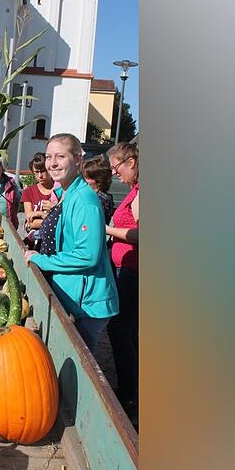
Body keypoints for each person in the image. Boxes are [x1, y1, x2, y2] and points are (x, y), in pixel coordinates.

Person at [24, 133, 118, 349]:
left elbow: (88, 255)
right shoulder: (68, 193)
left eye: (60, 156)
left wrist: (43, 260)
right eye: (48, 157)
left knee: (81, 367)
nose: (52, 163)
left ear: (77, 159)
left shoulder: (84, 201)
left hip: (86, 302)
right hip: (74, 295)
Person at [104, 142, 139, 425]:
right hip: (126, 268)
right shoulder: (135, 191)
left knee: (120, 331)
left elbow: (141, 234)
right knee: (128, 332)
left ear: (132, 162)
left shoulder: (141, 193)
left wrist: (109, 230)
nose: (116, 174)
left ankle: (129, 394)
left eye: (117, 167)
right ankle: (132, 390)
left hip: (132, 271)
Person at [21, 152, 58, 249]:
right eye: (36, 172)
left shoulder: (58, 190)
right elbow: (29, 220)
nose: (40, 175)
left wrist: (37, 218)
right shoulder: (29, 191)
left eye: (43, 171)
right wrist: (42, 214)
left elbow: (61, 221)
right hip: (34, 244)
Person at [80, 155, 115, 220]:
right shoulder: (97, 196)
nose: (83, 180)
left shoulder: (100, 199)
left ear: (98, 179)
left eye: (87, 177)